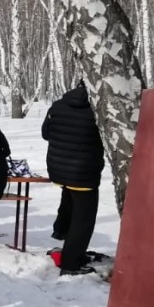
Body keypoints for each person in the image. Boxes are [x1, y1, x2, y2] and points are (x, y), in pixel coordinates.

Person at [42, 81, 105, 276]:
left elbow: (46, 133)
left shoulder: (57, 106)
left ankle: (65, 241)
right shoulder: (98, 110)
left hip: (59, 169)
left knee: (69, 204)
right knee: (83, 219)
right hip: (84, 173)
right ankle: (71, 262)